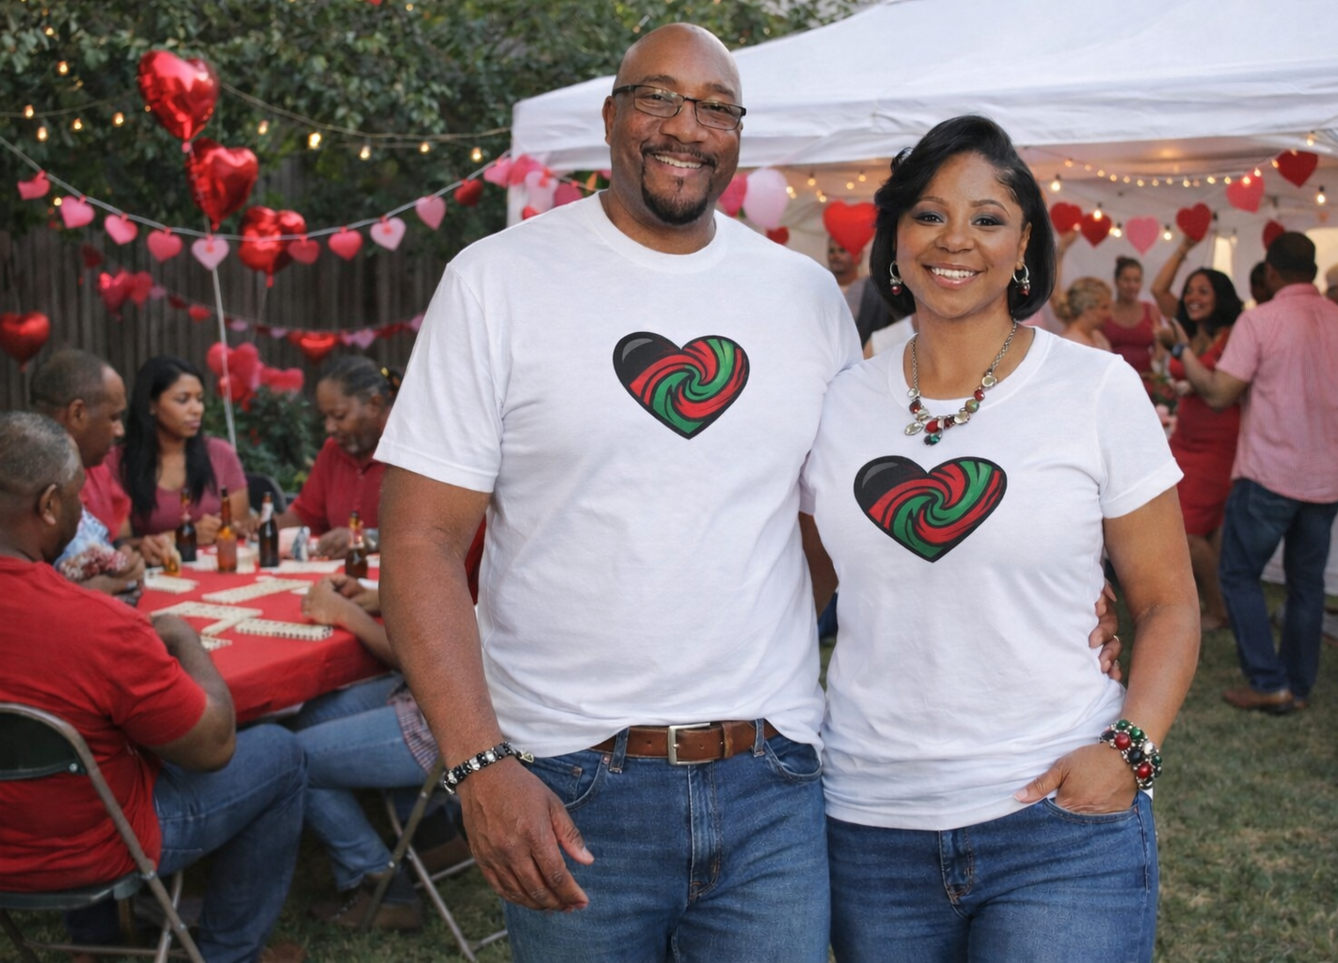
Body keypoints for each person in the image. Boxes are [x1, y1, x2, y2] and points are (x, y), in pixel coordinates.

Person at [374, 26, 1118, 961]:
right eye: (657, 97)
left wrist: (1067, 600)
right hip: (568, 779)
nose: (685, 127)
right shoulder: (496, 281)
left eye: (716, 108)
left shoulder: (802, 296)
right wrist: (480, 763)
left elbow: (848, 514)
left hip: (774, 783)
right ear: (609, 115)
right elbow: (420, 541)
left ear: (738, 133)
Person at [800, 115, 1199, 963]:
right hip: (870, 826)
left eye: (987, 218)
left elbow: (1167, 602)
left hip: (1058, 822)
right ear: (896, 239)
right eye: (928, 214)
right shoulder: (837, 400)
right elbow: (798, 585)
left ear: (1023, 245)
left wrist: (1128, 752)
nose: (955, 240)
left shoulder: (1094, 387)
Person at [0, 412, 307, 963]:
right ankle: (229, 954)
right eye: (78, 497)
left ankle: (96, 943)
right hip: (99, 847)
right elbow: (213, 747)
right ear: (49, 505)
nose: (84, 513)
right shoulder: (95, 622)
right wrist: (183, 639)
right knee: (281, 752)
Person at [1173, 232, 1338, 713]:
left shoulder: (1260, 320)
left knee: (1239, 574)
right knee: (1307, 583)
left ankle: (1269, 681)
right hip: (1326, 475)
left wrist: (1183, 356)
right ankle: (1298, 686)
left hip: (1268, 472)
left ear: (1270, 272)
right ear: (1313, 270)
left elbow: (1219, 393)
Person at [290, 576, 429, 931]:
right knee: (312, 717)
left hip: (448, 722)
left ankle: (382, 890)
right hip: (428, 693)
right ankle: (434, 836)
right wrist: (376, 599)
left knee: (290, 760)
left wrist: (347, 614)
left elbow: (421, 658)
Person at [29, 348, 168, 596]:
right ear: (77, 413)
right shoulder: (17, 480)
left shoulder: (96, 468)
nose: (120, 431)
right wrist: (86, 591)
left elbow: (111, 542)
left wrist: (129, 551)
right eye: (113, 417)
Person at [1154, 269, 1244, 631]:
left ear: (1221, 296)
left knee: (1188, 530)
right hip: (1185, 437)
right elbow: (1159, 289)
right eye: (1190, 290)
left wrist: (1188, 364)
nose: (1193, 297)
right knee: (1203, 528)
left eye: (1203, 291)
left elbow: (1228, 386)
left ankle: (1219, 610)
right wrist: (1185, 385)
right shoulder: (1190, 332)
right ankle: (1223, 604)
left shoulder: (1234, 335)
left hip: (1218, 442)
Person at [107, 356, 250, 545]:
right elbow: (117, 546)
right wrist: (184, 536)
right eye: (183, 400)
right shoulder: (116, 462)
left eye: (199, 399)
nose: (197, 409)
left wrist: (227, 528)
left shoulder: (221, 454)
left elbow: (241, 532)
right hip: (155, 564)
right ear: (151, 404)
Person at [275, 356, 397, 558]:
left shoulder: (409, 449)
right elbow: (306, 516)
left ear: (374, 405)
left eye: (339, 416)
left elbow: (431, 532)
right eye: (326, 417)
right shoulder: (332, 450)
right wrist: (264, 528)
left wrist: (365, 538)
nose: (329, 427)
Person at [1103, 255, 1164, 376]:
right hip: (1113, 377)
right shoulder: (1105, 310)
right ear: (1116, 281)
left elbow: (1160, 347)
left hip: (1146, 377)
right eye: (1126, 280)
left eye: (1136, 280)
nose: (1131, 286)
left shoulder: (1150, 309)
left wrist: (1155, 370)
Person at [1056, 276, 1114, 350]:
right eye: (1104, 308)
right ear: (1088, 310)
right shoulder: (1070, 343)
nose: (1108, 314)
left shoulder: (1097, 335)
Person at [828, 236, 868, 326]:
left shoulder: (870, 290)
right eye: (831, 251)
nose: (835, 256)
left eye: (842, 251)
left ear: (858, 255)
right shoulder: (821, 287)